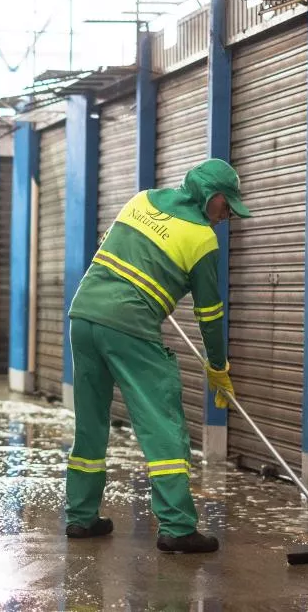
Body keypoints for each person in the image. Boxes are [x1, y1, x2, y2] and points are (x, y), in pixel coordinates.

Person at [64, 158, 251, 553]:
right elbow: (210, 314)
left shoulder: (142, 200)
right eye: (226, 205)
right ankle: (177, 527)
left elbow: (108, 245)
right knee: (162, 422)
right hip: (128, 326)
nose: (227, 215)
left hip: (83, 315)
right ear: (211, 196)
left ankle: (81, 518)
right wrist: (218, 366)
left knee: (91, 421)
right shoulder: (201, 239)